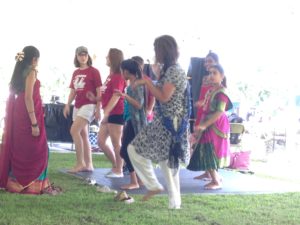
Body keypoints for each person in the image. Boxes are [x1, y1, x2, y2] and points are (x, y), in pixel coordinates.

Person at [127, 35, 190, 209]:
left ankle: (173, 201)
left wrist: (147, 82)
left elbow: (163, 96)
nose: (155, 53)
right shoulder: (170, 70)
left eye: (156, 49)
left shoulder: (175, 71)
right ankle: (162, 191)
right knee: (138, 151)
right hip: (163, 121)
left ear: (164, 50)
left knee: (167, 163)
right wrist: (148, 81)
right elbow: (162, 87)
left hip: (171, 123)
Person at [0, 46, 59, 195]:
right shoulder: (31, 72)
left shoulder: (19, 72)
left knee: (21, 147)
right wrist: (34, 123)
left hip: (19, 113)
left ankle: (15, 183)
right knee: (40, 149)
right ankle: (33, 185)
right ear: (34, 59)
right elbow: (28, 97)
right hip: (27, 114)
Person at [187, 64, 232, 190]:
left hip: (216, 125)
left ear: (222, 76)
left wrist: (204, 125)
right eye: (210, 73)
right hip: (208, 122)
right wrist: (200, 125)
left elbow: (219, 112)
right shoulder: (211, 90)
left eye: (214, 73)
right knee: (203, 149)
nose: (211, 76)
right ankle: (215, 178)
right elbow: (206, 109)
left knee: (208, 150)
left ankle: (216, 181)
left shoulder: (222, 92)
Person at [63, 46, 102, 173]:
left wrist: (98, 108)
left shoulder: (94, 71)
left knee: (74, 131)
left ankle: (80, 163)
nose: (83, 57)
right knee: (84, 134)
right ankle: (88, 164)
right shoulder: (75, 72)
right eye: (80, 55)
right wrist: (67, 104)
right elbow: (73, 91)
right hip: (78, 105)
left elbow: (99, 91)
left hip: (89, 104)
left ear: (88, 56)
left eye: (85, 54)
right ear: (77, 56)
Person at [114, 59, 147, 189]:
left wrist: (125, 96)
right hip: (131, 120)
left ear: (126, 71)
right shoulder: (132, 84)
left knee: (125, 151)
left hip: (136, 122)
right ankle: (139, 179)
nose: (122, 73)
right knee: (131, 151)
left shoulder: (136, 85)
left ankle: (134, 181)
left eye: (122, 71)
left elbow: (139, 104)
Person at [98, 48, 126, 178]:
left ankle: (119, 169)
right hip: (108, 112)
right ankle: (116, 165)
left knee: (116, 142)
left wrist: (107, 113)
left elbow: (116, 96)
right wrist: (95, 98)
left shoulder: (118, 76)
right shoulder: (110, 75)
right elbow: (106, 94)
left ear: (113, 59)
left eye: (108, 56)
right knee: (101, 141)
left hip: (116, 112)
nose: (105, 58)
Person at [192, 51, 220, 180]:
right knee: (199, 141)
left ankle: (214, 175)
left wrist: (204, 102)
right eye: (205, 61)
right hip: (202, 111)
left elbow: (217, 97)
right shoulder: (205, 78)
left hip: (211, 112)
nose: (206, 64)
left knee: (208, 143)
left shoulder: (219, 79)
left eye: (210, 61)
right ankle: (207, 172)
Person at [131, 56, 155, 122]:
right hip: (132, 113)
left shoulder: (146, 80)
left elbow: (153, 96)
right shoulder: (130, 78)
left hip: (144, 114)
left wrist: (149, 110)